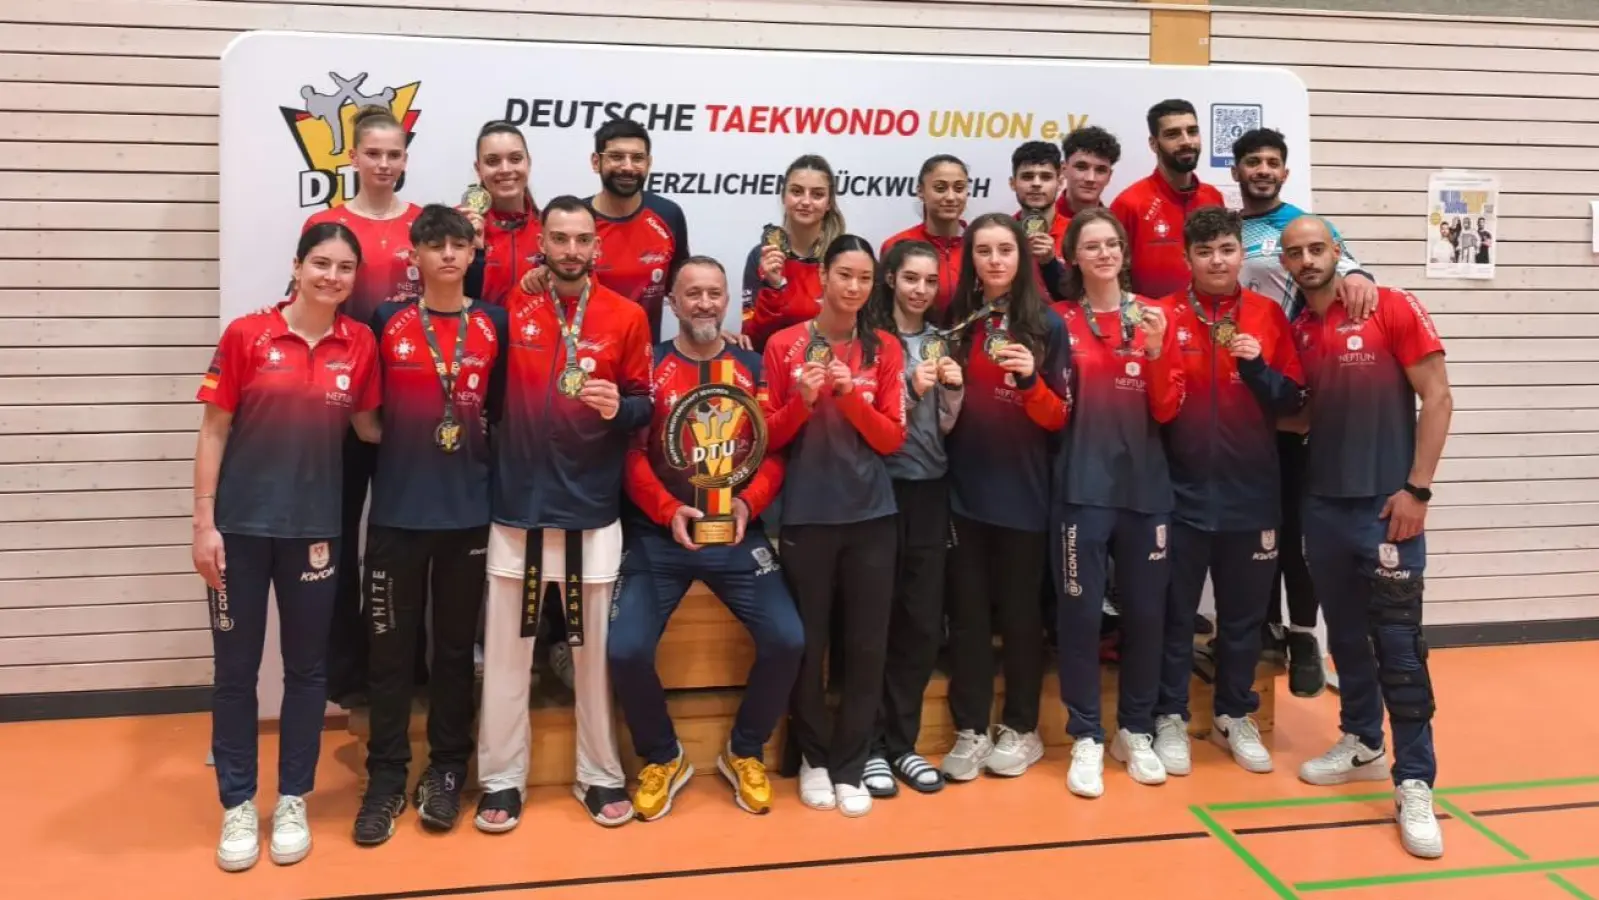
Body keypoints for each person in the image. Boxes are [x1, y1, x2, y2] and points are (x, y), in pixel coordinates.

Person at [193, 223, 381, 871]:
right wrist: (203, 523)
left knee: (307, 674)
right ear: (297, 266)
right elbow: (214, 431)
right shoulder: (247, 334)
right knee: (235, 675)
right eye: (321, 263)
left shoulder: (359, 345)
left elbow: (371, 427)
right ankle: (239, 804)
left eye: (345, 268)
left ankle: (293, 796)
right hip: (239, 534)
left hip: (314, 536)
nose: (332, 276)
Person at [474, 197, 654, 832]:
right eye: (559, 238)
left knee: (592, 653)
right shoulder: (511, 308)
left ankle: (600, 772)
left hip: (590, 505)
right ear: (541, 243)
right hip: (518, 505)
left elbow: (645, 404)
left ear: (597, 247)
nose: (571, 250)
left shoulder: (626, 316)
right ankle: (500, 778)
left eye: (582, 239)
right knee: (506, 652)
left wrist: (618, 408)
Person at [1280, 215, 1453, 860]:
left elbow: (1437, 397)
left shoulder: (1391, 306)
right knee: (1346, 637)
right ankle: (1360, 740)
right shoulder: (1300, 327)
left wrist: (1418, 489)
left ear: (1339, 253)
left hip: (1388, 510)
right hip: (1322, 507)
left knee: (1400, 651)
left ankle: (1414, 782)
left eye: (1317, 249)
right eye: (1295, 253)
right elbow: (1301, 412)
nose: (1305, 260)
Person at [608, 256, 804, 820]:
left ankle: (744, 750)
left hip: (739, 535)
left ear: (728, 300)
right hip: (659, 537)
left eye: (714, 293)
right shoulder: (648, 366)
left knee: (789, 640)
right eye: (692, 294)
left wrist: (749, 503)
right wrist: (668, 510)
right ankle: (663, 757)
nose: (704, 304)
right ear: (670, 302)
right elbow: (631, 456)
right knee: (624, 650)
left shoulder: (750, 363)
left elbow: (774, 452)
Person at [353, 206, 509, 845]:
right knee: (390, 654)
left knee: (452, 652)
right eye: (434, 245)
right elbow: (365, 420)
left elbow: (498, 416)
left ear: (473, 253)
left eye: (458, 245)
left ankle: (446, 770)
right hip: (397, 515)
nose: (447, 255)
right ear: (413, 255)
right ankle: (386, 777)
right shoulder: (386, 320)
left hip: (467, 517)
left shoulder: (493, 322)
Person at [1153, 207, 1304, 779]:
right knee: (1175, 615)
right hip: (1179, 493)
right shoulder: (1163, 314)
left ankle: (1234, 713)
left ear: (1242, 253)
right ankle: (1169, 715)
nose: (1217, 261)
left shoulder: (1266, 314)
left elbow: (1292, 400)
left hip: (1252, 493)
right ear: (1186, 258)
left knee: (1242, 619)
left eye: (1226, 250)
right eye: (1204, 252)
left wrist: (1258, 365)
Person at [762, 235, 907, 817]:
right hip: (807, 516)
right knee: (809, 645)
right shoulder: (784, 344)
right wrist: (801, 399)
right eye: (844, 274)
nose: (853, 288)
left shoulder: (885, 348)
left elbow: (892, 439)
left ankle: (850, 764)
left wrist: (849, 399)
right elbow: (768, 437)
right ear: (822, 275)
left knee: (867, 646)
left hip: (873, 517)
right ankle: (813, 759)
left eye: (865, 278)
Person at [1231, 127, 1379, 696]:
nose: (1262, 170)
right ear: (1239, 171)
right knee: (1253, 522)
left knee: (1293, 524)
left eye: (1272, 162)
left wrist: (1361, 275)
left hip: (1294, 386)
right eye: (1252, 162)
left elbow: (1357, 272)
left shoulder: (1305, 227)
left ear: (1284, 173)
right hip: (1239, 396)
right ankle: (1265, 625)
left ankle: (1302, 634)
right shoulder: (1228, 229)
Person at [1051, 208, 1183, 799]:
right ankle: (1085, 733)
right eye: (1091, 245)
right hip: (1081, 491)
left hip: (1146, 493)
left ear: (1124, 253)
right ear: (1074, 257)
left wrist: (1155, 354)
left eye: (1112, 244)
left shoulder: (1158, 317)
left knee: (1147, 616)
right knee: (1080, 617)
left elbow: (1166, 410)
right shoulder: (1058, 322)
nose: (1103, 253)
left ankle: (1135, 729)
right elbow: (1049, 410)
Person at [938, 214, 1071, 784]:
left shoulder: (1046, 325)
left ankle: (1022, 727)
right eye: (983, 251)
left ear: (1021, 259)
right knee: (966, 618)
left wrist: (1029, 382)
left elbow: (1059, 416)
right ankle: (970, 728)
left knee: (1020, 618)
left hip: (1024, 494)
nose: (994, 260)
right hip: (963, 493)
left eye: (1005, 250)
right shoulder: (955, 322)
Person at [301, 104, 423, 710]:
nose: (383, 164)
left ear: (406, 159)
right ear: (352, 157)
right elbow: (308, 305)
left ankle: (405, 666)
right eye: (372, 153)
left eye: (394, 154)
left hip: (409, 403)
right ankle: (345, 676)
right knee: (338, 533)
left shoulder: (424, 225)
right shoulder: (328, 223)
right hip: (340, 402)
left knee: (404, 537)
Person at [859, 241, 965, 797]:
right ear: (891, 281)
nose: (921, 289)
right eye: (911, 279)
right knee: (875, 620)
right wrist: (908, 385)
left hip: (930, 488)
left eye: (929, 281)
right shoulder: (869, 340)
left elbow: (945, 426)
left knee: (922, 623)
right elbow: (865, 415)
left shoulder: (943, 340)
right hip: (878, 489)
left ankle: (902, 744)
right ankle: (869, 745)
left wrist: (952, 389)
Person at [1110, 99, 1225, 300]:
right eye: (1173, 134)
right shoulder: (1129, 203)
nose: (1186, 141)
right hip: (1151, 325)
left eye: (1192, 131)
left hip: (1207, 323)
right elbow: (1115, 278)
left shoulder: (1213, 198)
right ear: (1154, 144)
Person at [743, 155, 848, 351]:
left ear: (829, 203)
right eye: (797, 191)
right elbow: (752, 339)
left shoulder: (844, 256)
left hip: (831, 369)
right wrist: (773, 286)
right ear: (783, 197)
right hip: (774, 369)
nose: (806, 201)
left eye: (817, 194)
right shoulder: (761, 256)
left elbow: (856, 331)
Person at [462, 120, 542, 306]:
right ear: (478, 169)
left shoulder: (549, 228)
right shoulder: (456, 224)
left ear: (528, 163)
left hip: (534, 333)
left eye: (515, 159)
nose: (505, 170)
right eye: (492, 161)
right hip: (473, 333)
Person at [879, 155, 970, 317]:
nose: (951, 197)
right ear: (920, 191)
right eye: (940, 188)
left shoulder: (981, 245)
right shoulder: (896, 245)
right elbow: (883, 310)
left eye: (959, 188)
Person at [1009, 141, 1071, 298]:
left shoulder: (1077, 233)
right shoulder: (1000, 233)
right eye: (1027, 177)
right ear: (1013, 183)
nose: (1036, 184)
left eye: (1046, 177)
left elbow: (1085, 296)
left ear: (1060, 182)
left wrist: (1051, 263)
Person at [1054, 125, 1121, 227]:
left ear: (1109, 176)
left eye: (1100, 170)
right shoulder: (1040, 224)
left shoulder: (1117, 226)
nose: (1090, 178)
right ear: (1064, 169)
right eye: (1081, 167)